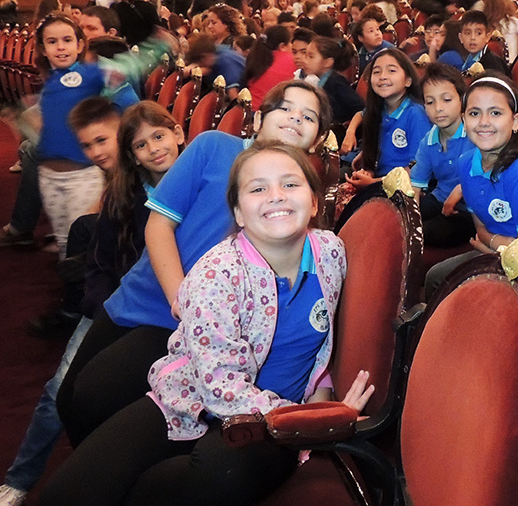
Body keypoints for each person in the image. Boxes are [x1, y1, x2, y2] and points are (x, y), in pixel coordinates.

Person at [41, 142, 375, 506]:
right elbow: (220, 387)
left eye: (290, 184)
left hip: (266, 425)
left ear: (313, 202)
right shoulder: (215, 275)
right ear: (238, 212)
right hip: (193, 395)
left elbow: (322, 344)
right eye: (258, 188)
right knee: (68, 494)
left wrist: (319, 402)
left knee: (219, 475)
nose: (276, 196)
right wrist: (307, 418)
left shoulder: (331, 253)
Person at [56, 81, 333, 448]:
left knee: (95, 397)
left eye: (308, 116)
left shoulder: (294, 201)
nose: (295, 118)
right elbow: (159, 225)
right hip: (152, 294)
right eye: (285, 108)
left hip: (199, 329)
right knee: (69, 398)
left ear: (317, 139)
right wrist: (182, 300)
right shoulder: (214, 146)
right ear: (261, 116)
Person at [0, 101, 185, 506]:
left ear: (178, 134)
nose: (153, 149)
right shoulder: (125, 189)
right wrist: (101, 307)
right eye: (140, 144)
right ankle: (22, 477)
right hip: (115, 307)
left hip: (166, 315)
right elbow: (103, 260)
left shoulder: (201, 187)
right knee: (61, 392)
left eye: (159, 137)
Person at [423, 74, 518, 294]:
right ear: (464, 121)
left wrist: (491, 246)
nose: (484, 122)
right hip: (500, 251)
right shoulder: (466, 164)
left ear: (515, 122)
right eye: (475, 113)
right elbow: (480, 228)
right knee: (437, 278)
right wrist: (494, 244)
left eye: (495, 113)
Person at [34, 16, 139, 260]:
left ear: (80, 45)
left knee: (84, 241)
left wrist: (159, 45)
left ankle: (86, 291)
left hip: (81, 175)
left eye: (67, 40)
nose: (60, 47)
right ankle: (73, 286)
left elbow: (129, 67)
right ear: (43, 49)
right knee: (64, 241)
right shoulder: (52, 80)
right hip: (49, 176)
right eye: (52, 42)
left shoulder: (88, 73)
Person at [340, 50, 430, 212]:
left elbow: (418, 168)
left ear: (408, 80)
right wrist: (367, 169)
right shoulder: (379, 109)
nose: (383, 76)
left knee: (349, 208)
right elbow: (361, 116)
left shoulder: (416, 114)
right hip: (378, 178)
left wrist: (374, 183)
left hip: (402, 189)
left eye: (391, 70)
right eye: (377, 72)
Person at [409, 64, 476, 247]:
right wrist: (411, 222)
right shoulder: (428, 141)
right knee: (402, 221)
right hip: (439, 199)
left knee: (429, 232)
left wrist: (462, 188)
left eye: (446, 100)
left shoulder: (476, 133)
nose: (438, 108)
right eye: (430, 102)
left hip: (470, 210)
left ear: (462, 99)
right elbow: (415, 187)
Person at [304, 36, 364, 124]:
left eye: (311, 56)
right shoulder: (318, 81)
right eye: (305, 55)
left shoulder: (336, 83)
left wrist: (351, 125)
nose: (305, 61)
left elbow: (360, 108)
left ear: (328, 62)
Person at [439, 11, 510, 75]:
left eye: (478, 33)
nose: (472, 38)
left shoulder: (492, 64)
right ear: (460, 38)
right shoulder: (470, 58)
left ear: (487, 37)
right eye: (467, 33)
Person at [244, 25, 297, 105]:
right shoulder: (292, 60)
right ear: (282, 46)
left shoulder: (256, 56)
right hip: (269, 110)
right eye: (290, 43)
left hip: (248, 108)